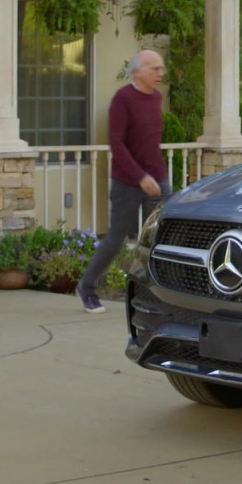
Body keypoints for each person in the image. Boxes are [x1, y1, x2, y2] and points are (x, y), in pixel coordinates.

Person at [78, 49, 172, 313]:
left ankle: (161, 295)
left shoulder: (156, 98)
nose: (160, 74)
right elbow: (116, 144)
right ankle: (87, 287)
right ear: (138, 71)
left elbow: (151, 142)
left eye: (161, 69)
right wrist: (140, 177)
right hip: (128, 182)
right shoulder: (123, 98)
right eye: (155, 69)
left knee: (165, 235)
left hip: (157, 179)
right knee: (116, 239)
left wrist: (158, 177)